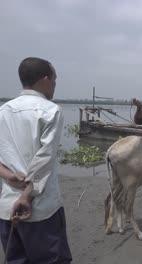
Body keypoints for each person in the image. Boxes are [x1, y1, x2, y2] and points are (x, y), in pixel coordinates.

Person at [0, 57, 72, 263]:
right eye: (55, 79)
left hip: (7, 208)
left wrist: (9, 175)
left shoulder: (3, 111)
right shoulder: (50, 111)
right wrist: (27, 195)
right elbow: (45, 158)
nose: (55, 85)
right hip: (40, 208)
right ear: (45, 79)